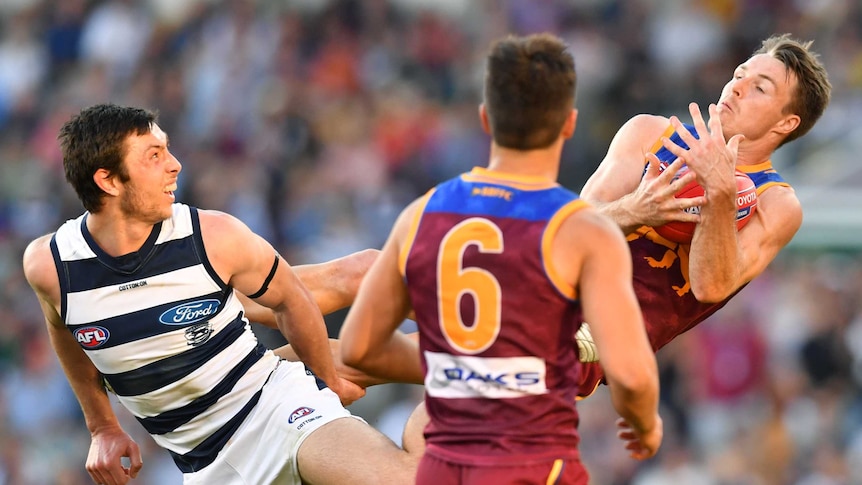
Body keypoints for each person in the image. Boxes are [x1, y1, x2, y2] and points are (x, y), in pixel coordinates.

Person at [21, 104, 419, 485]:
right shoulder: (50, 266)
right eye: (154, 155)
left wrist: (327, 382)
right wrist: (102, 426)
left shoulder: (211, 236)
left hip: (274, 410)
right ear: (108, 181)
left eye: (168, 149)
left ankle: (457, 399)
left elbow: (291, 299)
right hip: (204, 466)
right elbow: (65, 330)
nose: (175, 164)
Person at [337, 33, 663, 485]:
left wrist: (459, 364)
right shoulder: (583, 230)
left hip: (443, 467)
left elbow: (358, 347)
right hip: (534, 465)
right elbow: (630, 374)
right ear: (568, 124)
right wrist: (645, 426)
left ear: (486, 119)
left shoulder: (424, 212)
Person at [573, 32, 832, 396]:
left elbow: (711, 286)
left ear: (785, 123)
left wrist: (721, 197)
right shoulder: (649, 133)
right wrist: (636, 209)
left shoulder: (774, 203)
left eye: (760, 88)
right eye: (739, 75)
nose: (737, 88)